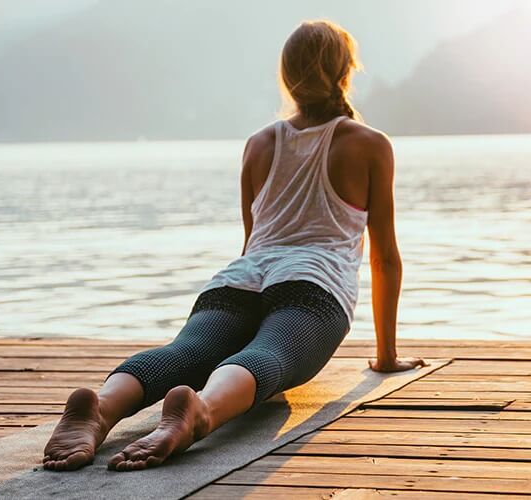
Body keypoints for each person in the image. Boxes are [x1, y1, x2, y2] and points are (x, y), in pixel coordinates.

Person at [42, 19, 424, 472]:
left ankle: (102, 406)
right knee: (268, 357)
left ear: (287, 77)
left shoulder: (259, 143)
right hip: (312, 287)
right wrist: (384, 357)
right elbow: (384, 258)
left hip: (238, 280)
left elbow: (252, 240)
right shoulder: (369, 144)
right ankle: (200, 411)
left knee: (182, 354)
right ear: (346, 72)